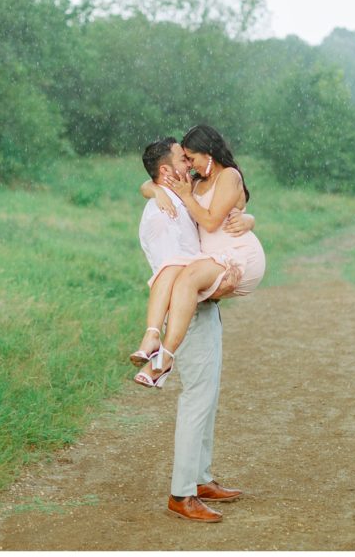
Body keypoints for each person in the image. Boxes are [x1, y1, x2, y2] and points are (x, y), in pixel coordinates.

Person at [136, 136, 245, 522]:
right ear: (167, 169)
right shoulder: (161, 213)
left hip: (205, 306)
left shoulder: (179, 199)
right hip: (190, 312)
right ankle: (181, 494)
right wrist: (217, 286)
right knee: (196, 397)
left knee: (209, 393)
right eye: (183, 159)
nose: (191, 164)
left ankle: (200, 478)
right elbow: (173, 273)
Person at [132, 125, 266, 389]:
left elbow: (211, 220)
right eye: (186, 159)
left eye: (191, 157)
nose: (190, 164)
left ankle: (166, 357)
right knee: (180, 276)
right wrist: (158, 192)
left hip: (238, 256)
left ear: (209, 153)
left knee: (187, 277)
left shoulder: (228, 175)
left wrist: (249, 220)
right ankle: (159, 354)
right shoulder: (195, 181)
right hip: (211, 258)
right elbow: (148, 182)